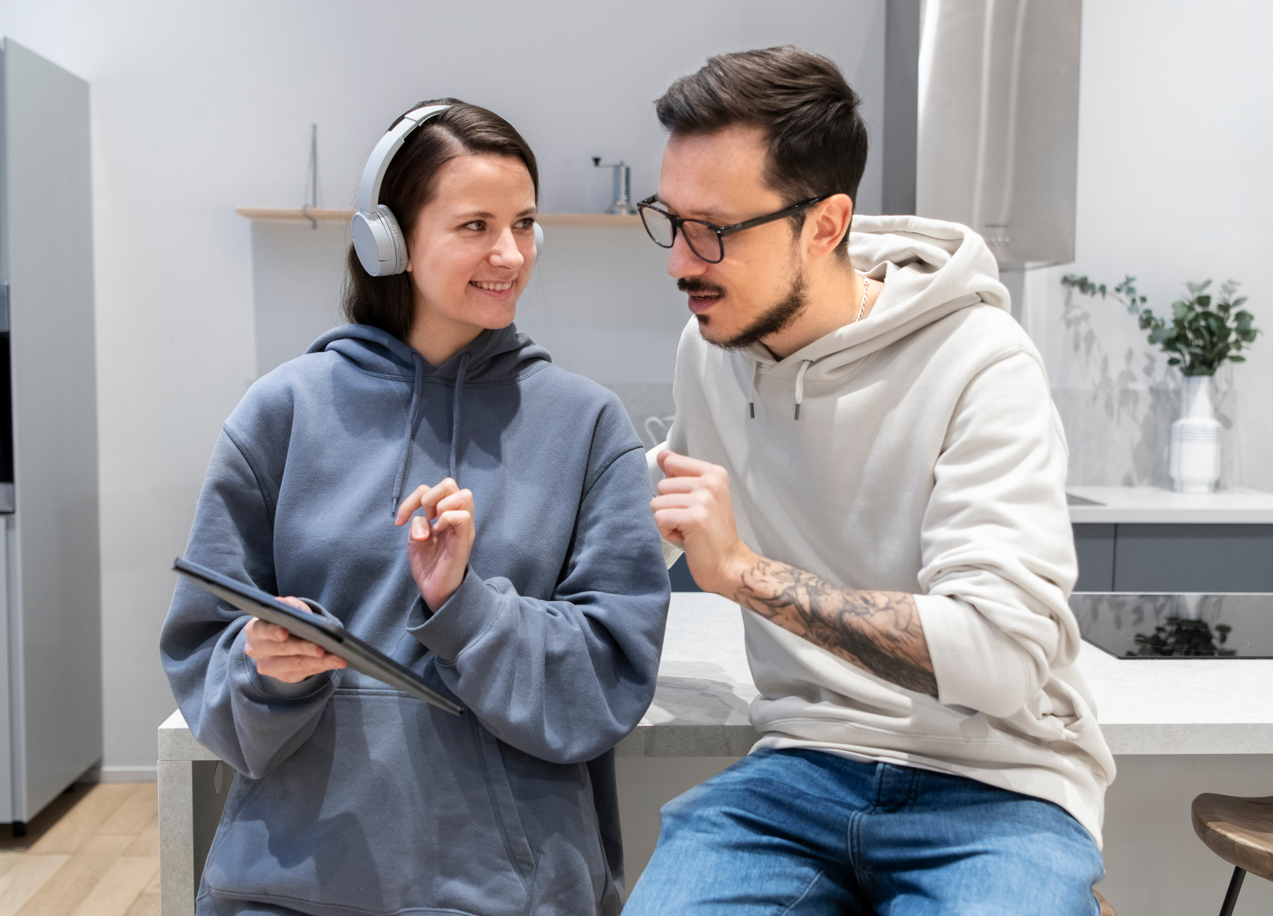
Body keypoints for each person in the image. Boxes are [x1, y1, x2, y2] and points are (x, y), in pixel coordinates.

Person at [622, 47, 1115, 915]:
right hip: (797, 771)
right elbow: (668, 529)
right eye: (670, 219)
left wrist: (745, 573)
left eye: (716, 231)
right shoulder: (709, 348)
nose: (679, 263)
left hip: (995, 789)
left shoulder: (979, 361)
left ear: (824, 223)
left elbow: (998, 658)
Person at [160, 99, 670, 916]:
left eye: (526, 222)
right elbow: (202, 655)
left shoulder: (585, 425)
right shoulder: (280, 413)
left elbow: (607, 679)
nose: (511, 253)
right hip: (285, 889)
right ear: (386, 239)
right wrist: (265, 666)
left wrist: (463, 608)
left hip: (511, 895)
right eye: (474, 225)